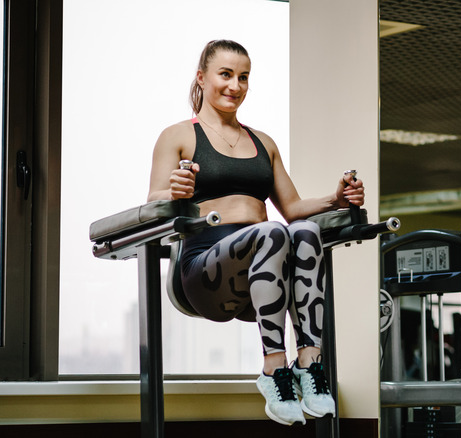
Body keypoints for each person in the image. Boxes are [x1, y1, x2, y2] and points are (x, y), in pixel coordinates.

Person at [147, 39, 364, 426]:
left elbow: (293, 208)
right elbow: (153, 201)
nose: (235, 86)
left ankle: (309, 365)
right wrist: (174, 191)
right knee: (274, 233)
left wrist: (336, 199)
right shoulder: (178, 136)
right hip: (206, 272)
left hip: (265, 280)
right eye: (225, 75)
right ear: (202, 77)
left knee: (306, 231)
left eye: (243, 77)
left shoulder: (263, 142)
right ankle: (273, 369)